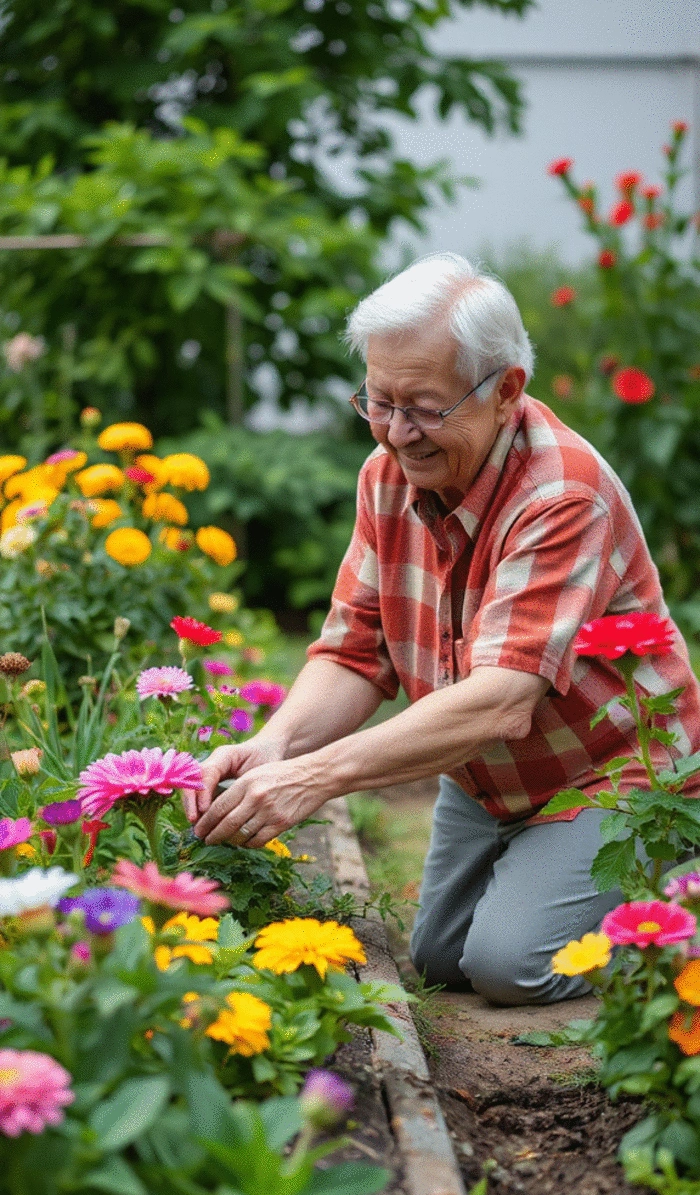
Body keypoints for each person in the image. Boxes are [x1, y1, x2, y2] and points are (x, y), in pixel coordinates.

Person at [185, 252, 700, 1005]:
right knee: (438, 960)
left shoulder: (561, 495)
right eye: (379, 402)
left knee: (509, 966)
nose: (397, 433)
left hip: (609, 771)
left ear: (506, 392)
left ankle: (679, 896)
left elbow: (500, 701)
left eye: (424, 407)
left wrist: (313, 779)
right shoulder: (387, 475)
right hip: (488, 776)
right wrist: (275, 747)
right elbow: (355, 651)